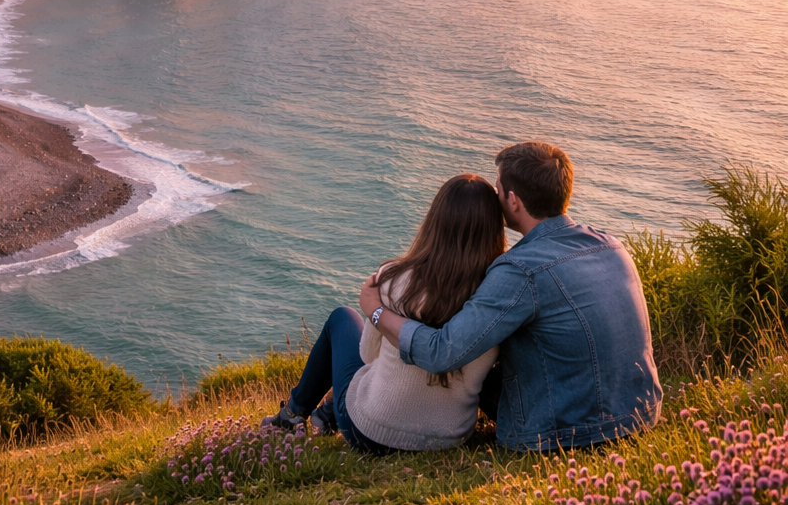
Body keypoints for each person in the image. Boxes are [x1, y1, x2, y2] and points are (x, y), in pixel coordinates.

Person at [360, 141, 663, 452]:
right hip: (641, 413)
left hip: (568, 432)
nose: (495, 196)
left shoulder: (520, 270)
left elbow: (443, 353)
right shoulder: (612, 245)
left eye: (497, 188)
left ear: (514, 200)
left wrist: (376, 311)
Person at [262, 174, 505, 451]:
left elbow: (367, 355)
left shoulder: (392, 277)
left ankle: (292, 416)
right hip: (448, 437)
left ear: (435, 221)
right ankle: (324, 414)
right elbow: (476, 379)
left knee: (342, 317)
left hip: (370, 432)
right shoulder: (494, 299)